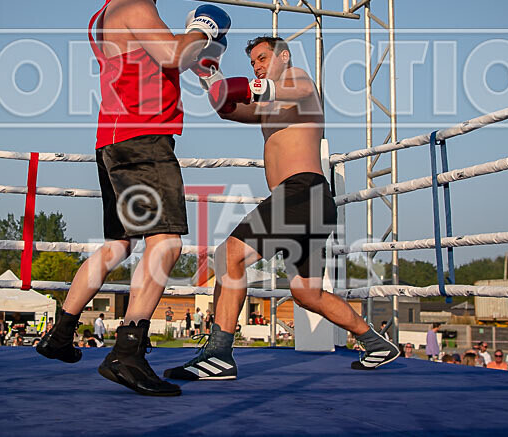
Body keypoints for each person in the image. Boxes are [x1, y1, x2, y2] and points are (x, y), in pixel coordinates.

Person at [37, 0, 230, 398]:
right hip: (141, 139)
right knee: (166, 241)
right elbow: (170, 54)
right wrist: (202, 32)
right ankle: (129, 350)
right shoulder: (137, 2)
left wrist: (198, 54)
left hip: (112, 141)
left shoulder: (104, 13)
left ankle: (62, 334)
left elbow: (159, 65)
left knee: (118, 245)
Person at [164, 36, 399, 381]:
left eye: (262, 58)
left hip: (301, 193)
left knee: (231, 255)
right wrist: (208, 73)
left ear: (283, 56)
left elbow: (283, 91)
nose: (257, 66)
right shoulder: (268, 105)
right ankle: (376, 343)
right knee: (307, 292)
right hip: (306, 201)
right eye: (253, 63)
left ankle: (218, 355)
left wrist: (237, 82)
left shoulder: (299, 79)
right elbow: (228, 108)